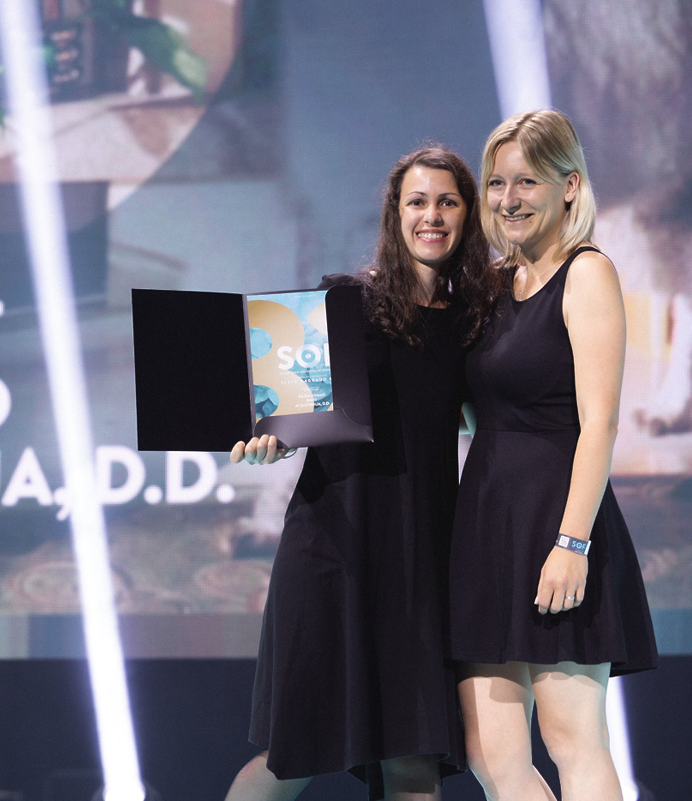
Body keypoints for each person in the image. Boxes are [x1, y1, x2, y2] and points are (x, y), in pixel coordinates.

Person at [224, 145, 497, 801]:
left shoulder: (473, 322)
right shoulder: (343, 301)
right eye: (417, 201)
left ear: (468, 214)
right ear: (394, 214)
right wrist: (269, 441)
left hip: (423, 560)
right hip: (333, 547)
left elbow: (483, 417)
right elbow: (286, 416)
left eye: (447, 202)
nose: (432, 216)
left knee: (415, 756)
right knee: (291, 755)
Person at [448, 109, 659, 801]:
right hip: (487, 525)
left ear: (569, 186)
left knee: (573, 739)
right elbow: (476, 410)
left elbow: (600, 423)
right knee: (491, 754)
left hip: (558, 523)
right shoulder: (491, 287)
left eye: (527, 181)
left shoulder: (587, 273)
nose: (508, 198)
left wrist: (572, 542)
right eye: (496, 182)